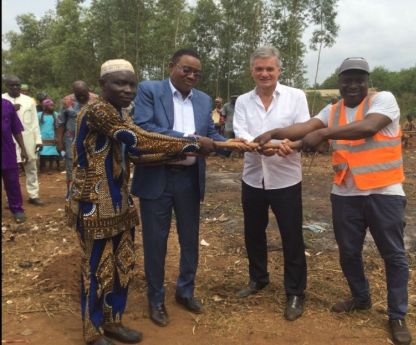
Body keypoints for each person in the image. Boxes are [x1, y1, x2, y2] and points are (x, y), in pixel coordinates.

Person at [255, 57, 412, 345]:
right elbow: (305, 127)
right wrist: (277, 134)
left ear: (367, 80)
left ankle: (397, 315)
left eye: (359, 79)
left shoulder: (383, 100)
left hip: (384, 192)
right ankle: (360, 297)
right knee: (348, 251)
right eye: (347, 80)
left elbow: (367, 128)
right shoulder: (334, 109)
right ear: (338, 82)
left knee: (393, 255)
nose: (353, 85)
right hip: (345, 193)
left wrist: (323, 133)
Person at [67, 58, 204, 345]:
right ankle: (93, 331)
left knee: (122, 263)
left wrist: (187, 152)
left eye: (132, 84)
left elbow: (138, 155)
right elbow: (138, 140)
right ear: (102, 84)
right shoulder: (98, 111)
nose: (128, 89)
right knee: (96, 266)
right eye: (120, 83)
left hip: (119, 200)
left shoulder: (120, 114)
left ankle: (113, 321)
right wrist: (193, 144)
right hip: (94, 201)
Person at [131, 48, 232, 327]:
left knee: (190, 240)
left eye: (197, 73)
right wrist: (192, 140)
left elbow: (211, 135)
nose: (191, 76)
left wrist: (235, 145)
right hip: (157, 176)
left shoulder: (203, 100)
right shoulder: (149, 90)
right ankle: (156, 298)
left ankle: (185, 292)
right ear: (171, 66)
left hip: (189, 179)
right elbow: (145, 130)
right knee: (155, 242)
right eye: (186, 70)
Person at [234, 46, 310, 321]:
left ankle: (295, 292)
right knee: (253, 231)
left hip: (286, 179)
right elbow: (240, 131)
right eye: (259, 69)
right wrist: (255, 146)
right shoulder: (243, 100)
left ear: (279, 71)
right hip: (253, 178)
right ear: (252, 71)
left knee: (291, 235)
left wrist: (285, 144)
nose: (264, 74)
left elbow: (304, 129)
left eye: (270, 69)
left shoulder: (296, 97)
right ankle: (258, 278)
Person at [2, 75, 44, 206]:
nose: (15, 87)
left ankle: (33, 195)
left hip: (27, 139)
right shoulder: (2, 100)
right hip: (7, 140)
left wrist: (38, 140)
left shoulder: (29, 101)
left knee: (31, 167)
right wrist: (10, 109)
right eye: (12, 85)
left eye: (17, 85)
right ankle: (11, 199)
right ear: (6, 86)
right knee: (9, 171)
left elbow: (35, 122)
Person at [56, 81, 98, 192]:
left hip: (93, 140)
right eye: (78, 95)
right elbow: (60, 123)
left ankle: (92, 192)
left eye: (84, 94)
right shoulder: (66, 101)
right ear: (74, 92)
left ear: (88, 90)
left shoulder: (97, 100)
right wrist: (59, 141)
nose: (82, 97)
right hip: (72, 141)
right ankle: (72, 193)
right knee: (71, 166)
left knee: (93, 164)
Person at [2, 99, 29, 223]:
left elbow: (16, 130)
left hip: (7, 152)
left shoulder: (7, 105)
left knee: (12, 182)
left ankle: (17, 209)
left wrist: (23, 149)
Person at [37, 98, 60, 173]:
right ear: (45, 106)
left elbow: (58, 127)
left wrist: (57, 137)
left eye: (53, 105)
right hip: (42, 137)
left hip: (52, 136)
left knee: (52, 153)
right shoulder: (39, 115)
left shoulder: (56, 114)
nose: (52, 107)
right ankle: (42, 166)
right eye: (50, 105)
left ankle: (51, 167)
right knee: (42, 152)